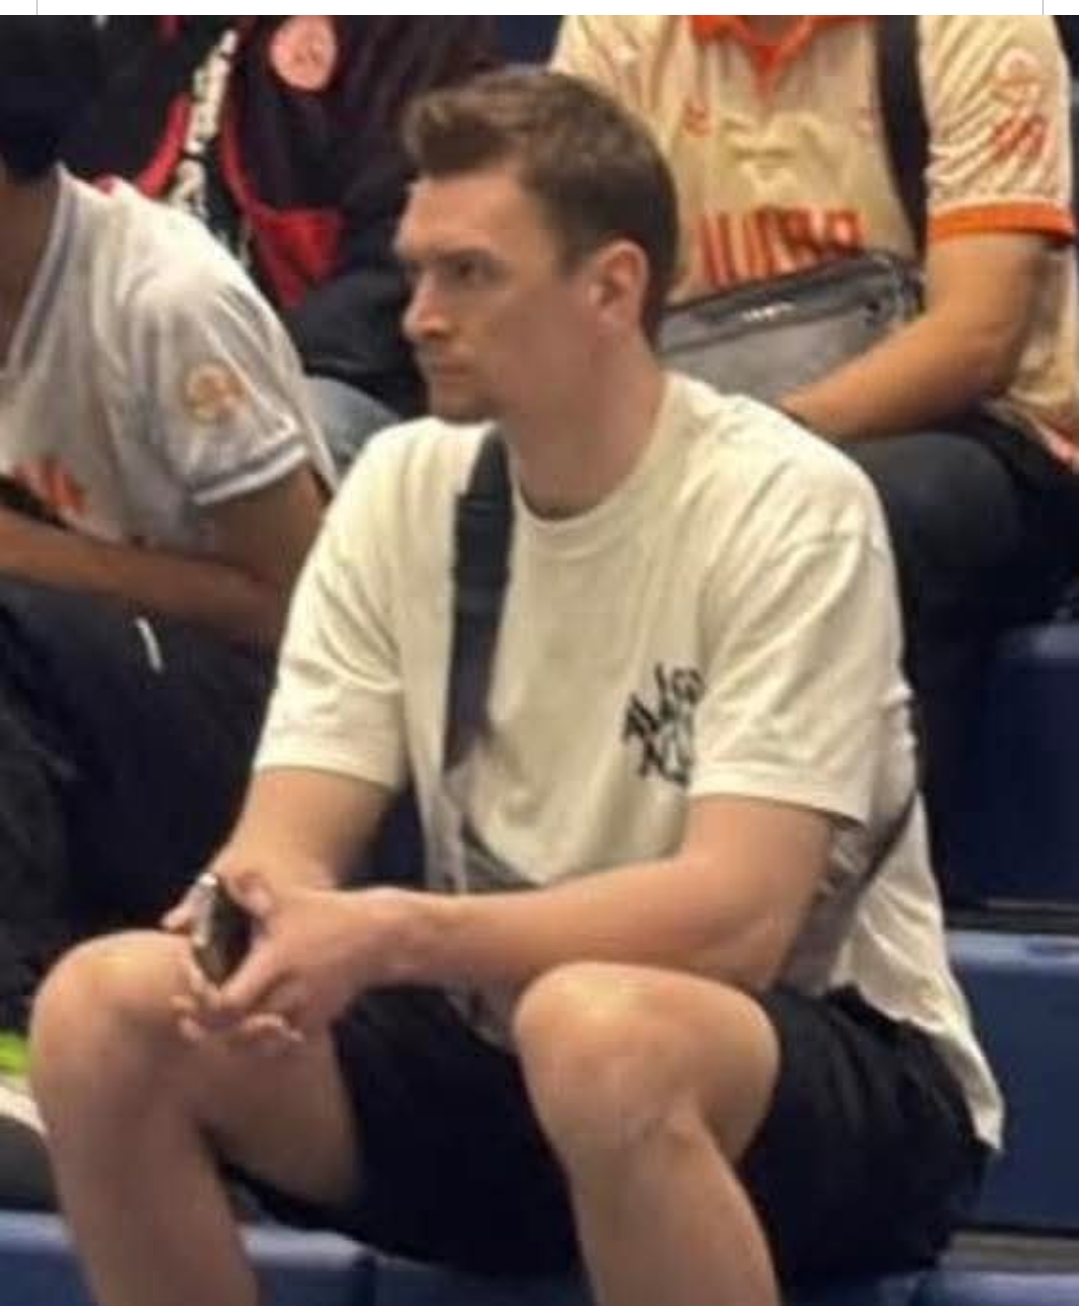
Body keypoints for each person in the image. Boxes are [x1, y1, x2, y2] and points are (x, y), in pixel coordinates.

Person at [30, 70, 998, 1306]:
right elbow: (289, 830)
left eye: (468, 275)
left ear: (611, 288)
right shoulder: (399, 487)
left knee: (597, 1031)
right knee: (104, 1010)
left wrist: (397, 934)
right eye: (415, 272)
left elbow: (738, 918)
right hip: (507, 1055)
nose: (420, 316)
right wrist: (252, 916)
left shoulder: (786, 504)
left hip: (817, 1070)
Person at [553, 16, 1079, 894]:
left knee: (860, 505)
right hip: (691, 426)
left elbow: (975, 337)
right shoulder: (616, 34)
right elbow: (558, 289)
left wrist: (747, 452)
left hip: (979, 435)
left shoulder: (974, 27)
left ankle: (843, 904)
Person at [0, 18, 333, 1039]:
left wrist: (39, 562)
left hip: (254, 746)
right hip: (67, 707)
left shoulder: (163, 303)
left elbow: (301, 613)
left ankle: (13, 1029)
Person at [62, 16, 500, 472]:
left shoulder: (415, 28)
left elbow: (403, 268)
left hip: (329, 378)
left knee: (246, 446)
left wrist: (237, 363)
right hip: (132, 354)